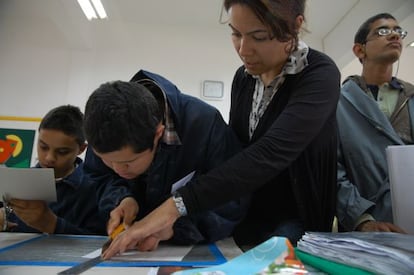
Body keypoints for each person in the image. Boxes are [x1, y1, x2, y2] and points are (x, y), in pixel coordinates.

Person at [102, 0, 340, 259]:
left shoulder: (319, 75)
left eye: (258, 37)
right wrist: (171, 225)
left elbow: (270, 153)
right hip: (245, 216)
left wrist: (172, 208)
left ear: (295, 26)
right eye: (236, 33)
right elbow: (233, 155)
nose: (243, 49)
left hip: (298, 218)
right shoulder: (244, 78)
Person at [82, 70, 248, 248]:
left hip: (190, 251)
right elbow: (96, 177)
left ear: (157, 134)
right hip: (129, 248)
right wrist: (122, 198)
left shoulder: (203, 124)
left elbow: (232, 200)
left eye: (127, 163)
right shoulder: (102, 126)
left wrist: (175, 229)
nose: (117, 169)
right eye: (106, 160)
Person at [336, 13, 411, 233]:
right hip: (368, 226)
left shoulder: (411, 97)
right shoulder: (339, 104)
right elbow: (332, 169)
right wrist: (362, 219)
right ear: (359, 50)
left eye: (398, 31)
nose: (394, 35)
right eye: (383, 31)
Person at [1, 105, 109, 234]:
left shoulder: (96, 190)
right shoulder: (16, 181)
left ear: (81, 149)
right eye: (43, 147)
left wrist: (52, 225)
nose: (49, 158)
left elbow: (100, 245)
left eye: (62, 152)